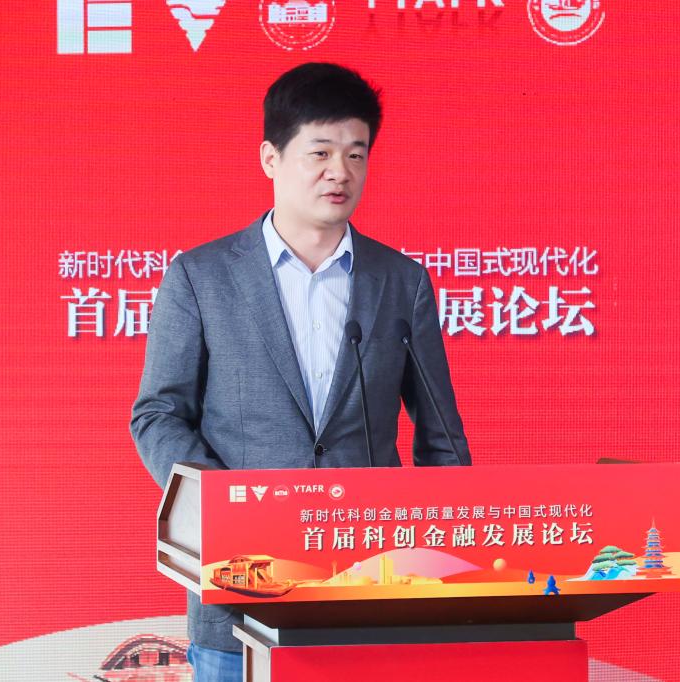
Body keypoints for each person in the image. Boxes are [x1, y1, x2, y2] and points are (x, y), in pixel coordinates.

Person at [130, 62, 471, 682]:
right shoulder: (202, 277)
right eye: (320, 152)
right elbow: (158, 414)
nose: (340, 172)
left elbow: (442, 436)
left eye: (356, 154)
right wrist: (225, 507)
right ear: (271, 158)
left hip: (370, 589)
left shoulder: (401, 282)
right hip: (238, 595)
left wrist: (446, 560)